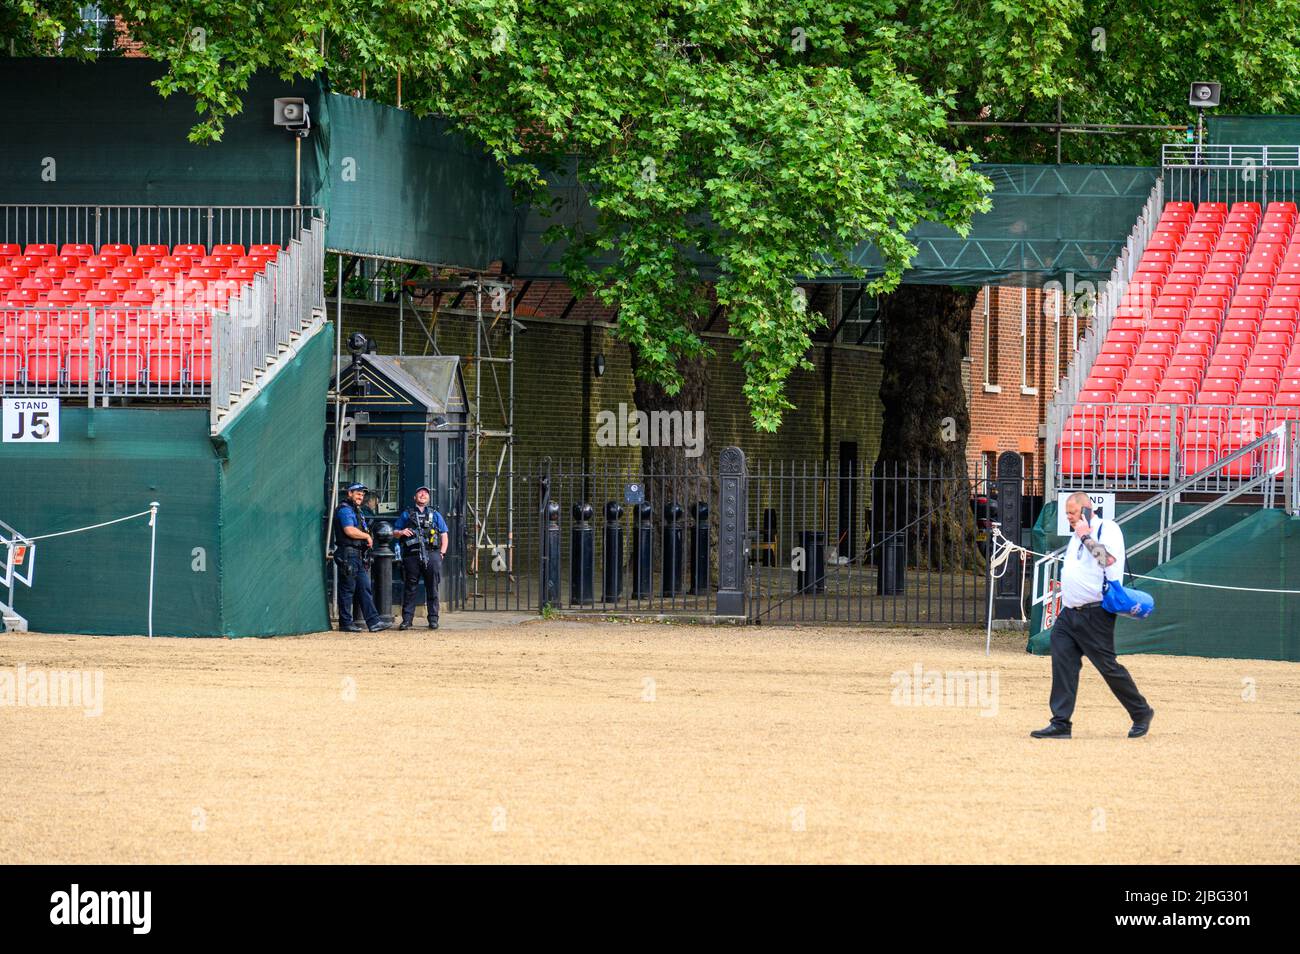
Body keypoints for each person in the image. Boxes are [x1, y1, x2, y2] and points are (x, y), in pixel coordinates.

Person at [1031, 492, 1153, 739]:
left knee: (1108, 667)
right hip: (1070, 613)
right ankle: (1061, 722)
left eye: (1072, 513)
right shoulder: (1077, 535)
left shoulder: (1107, 529)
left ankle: (1141, 712)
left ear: (1087, 510)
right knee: (1063, 663)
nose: (1069, 518)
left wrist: (1085, 534)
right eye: (1067, 514)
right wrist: (1080, 534)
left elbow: (1106, 560)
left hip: (1095, 613)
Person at [333, 482, 392, 633]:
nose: (360, 496)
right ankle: (345, 623)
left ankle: (374, 622)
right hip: (348, 553)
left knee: (365, 588)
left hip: (357, 554)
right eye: (357, 493)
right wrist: (366, 536)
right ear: (349, 494)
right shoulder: (345, 510)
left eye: (362, 494)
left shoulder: (356, 510)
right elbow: (349, 530)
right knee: (347, 590)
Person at [393, 485, 449, 630]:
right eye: (420, 493)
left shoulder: (435, 514)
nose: (423, 495)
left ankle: (433, 619)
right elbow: (394, 532)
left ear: (428, 498)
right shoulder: (407, 514)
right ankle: (407, 620)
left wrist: (442, 553)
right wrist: (401, 532)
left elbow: (444, 534)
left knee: (432, 587)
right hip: (412, 555)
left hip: (432, 554)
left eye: (425, 493)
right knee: (410, 588)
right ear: (415, 497)